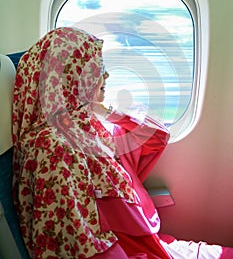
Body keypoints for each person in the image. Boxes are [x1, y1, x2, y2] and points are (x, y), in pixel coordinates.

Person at [12, 27, 233, 259]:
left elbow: (157, 135)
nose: (105, 77)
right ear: (72, 78)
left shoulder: (89, 127)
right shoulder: (54, 148)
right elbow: (76, 244)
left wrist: (105, 110)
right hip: (127, 250)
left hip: (148, 242)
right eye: (97, 70)